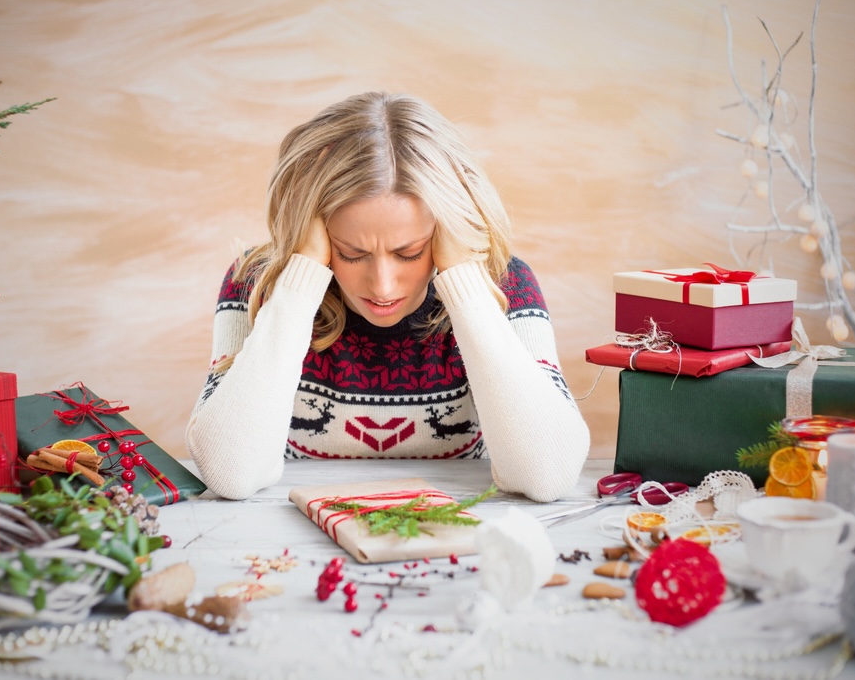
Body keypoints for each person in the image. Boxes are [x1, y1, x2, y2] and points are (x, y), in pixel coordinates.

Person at [186, 91, 590, 502]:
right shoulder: (255, 283)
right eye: (351, 253)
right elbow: (231, 472)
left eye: (409, 253)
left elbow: (548, 474)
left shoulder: (505, 284)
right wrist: (300, 276)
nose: (382, 286)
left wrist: (464, 283)